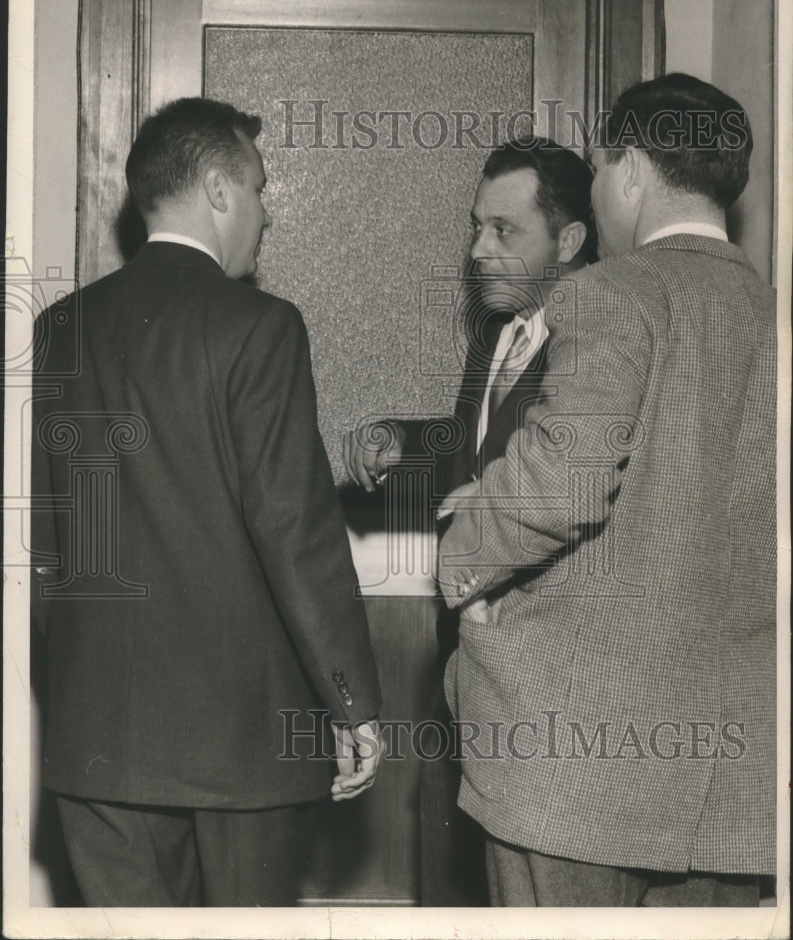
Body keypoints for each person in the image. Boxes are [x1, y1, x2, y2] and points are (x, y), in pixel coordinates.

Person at [31, 97, 383, 907]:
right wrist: (351, 701)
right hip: (241, 746)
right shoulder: (259, 327)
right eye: (258, 189)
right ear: (219, 191)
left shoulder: (57, 328)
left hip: (97, 736)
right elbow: (292, 526)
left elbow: (45, 542)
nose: (265, 215)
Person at [437, 73, 776, 906]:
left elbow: (565, 482)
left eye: (598, 164)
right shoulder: (769, 310)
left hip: (574, 767)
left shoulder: (610, 291)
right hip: (734, 780)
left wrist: (464, 560)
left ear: (628, 169)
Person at [344, 137, 596, 904]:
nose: (477, 249)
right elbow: (472, 452)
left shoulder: (602, 341)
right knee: (451, 869)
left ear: (570, 241)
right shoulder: (499, 331)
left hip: (548, 678)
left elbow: (571, 484)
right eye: (475, 226)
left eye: (503, 230)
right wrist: (401, 440)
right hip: (467, 659)